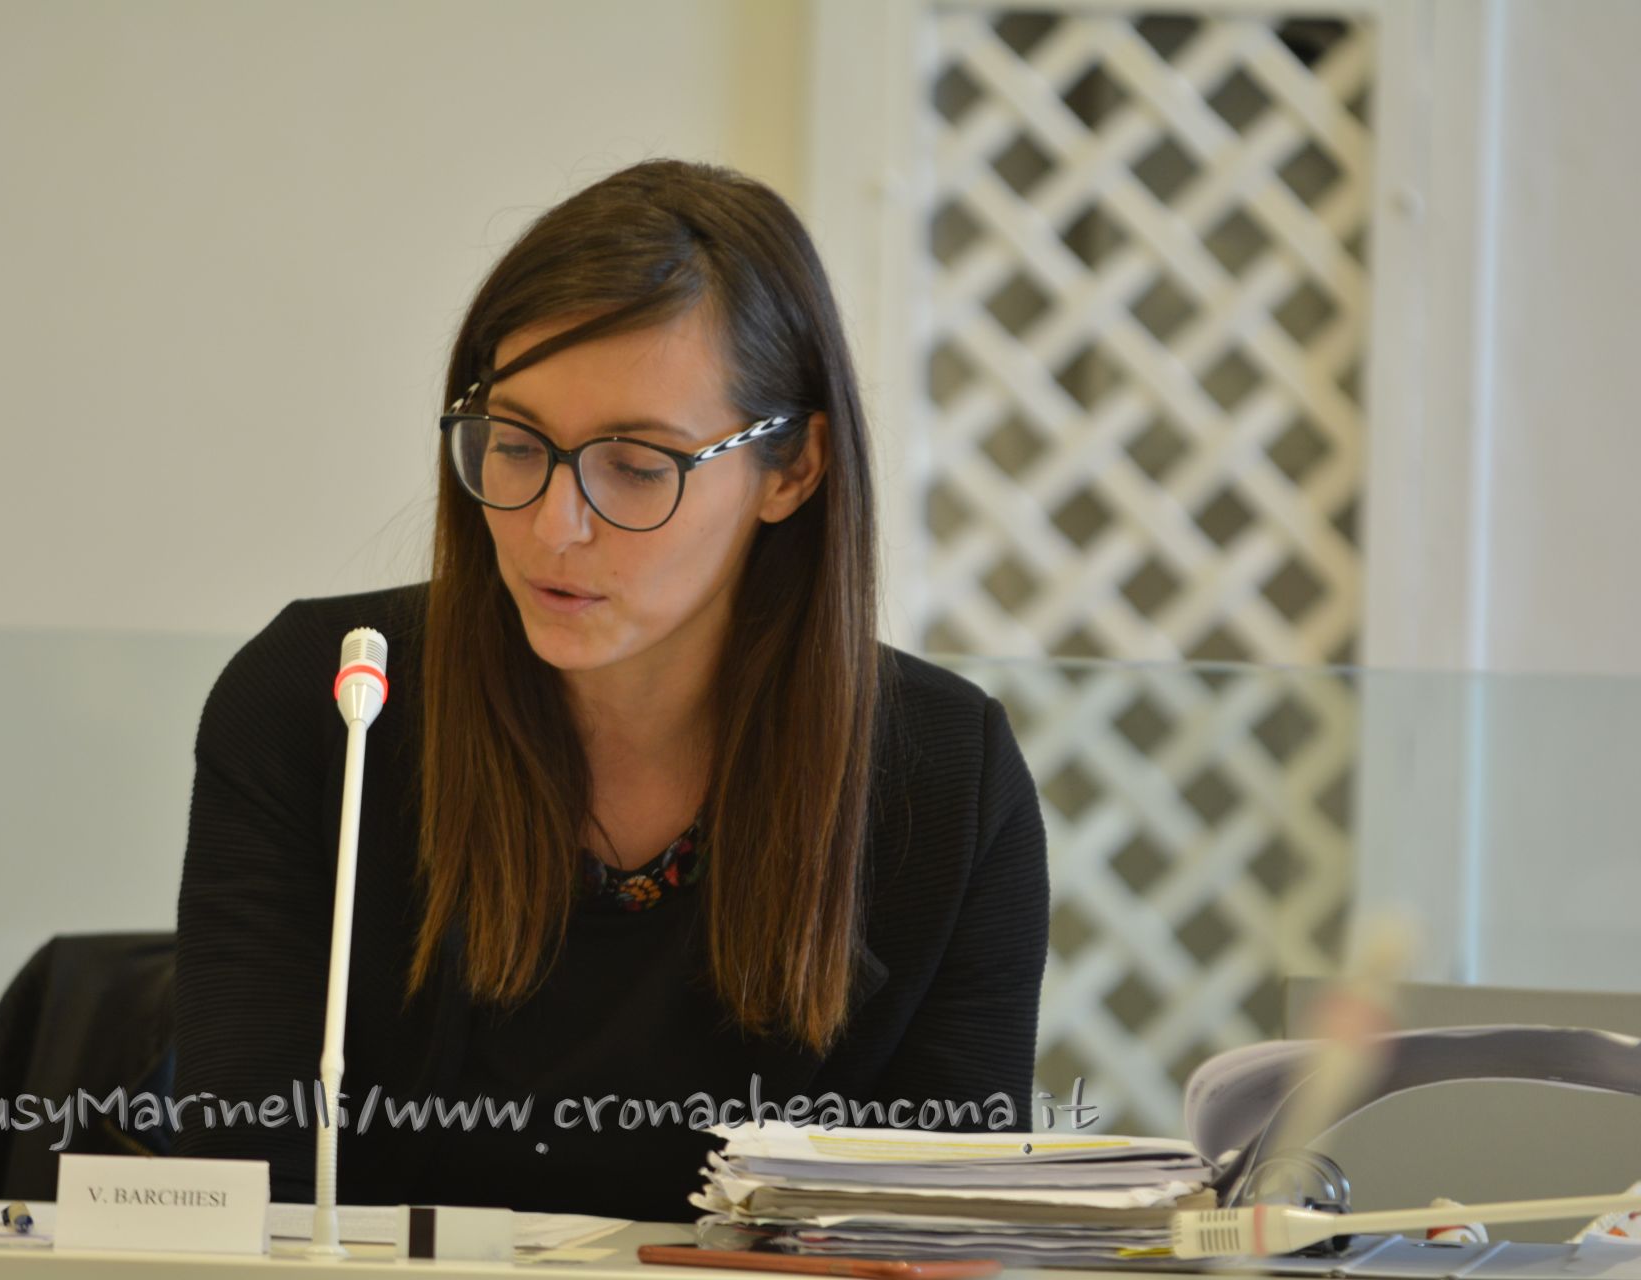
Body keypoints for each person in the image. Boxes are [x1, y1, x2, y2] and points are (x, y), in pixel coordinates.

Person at [171, 159, 1049, 1224]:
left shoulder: (942, 779)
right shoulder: (333, 701)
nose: (554, 525)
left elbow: (935, 1233)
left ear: (792, 470)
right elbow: (244, 1195)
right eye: (516, 444)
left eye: (636, 465)